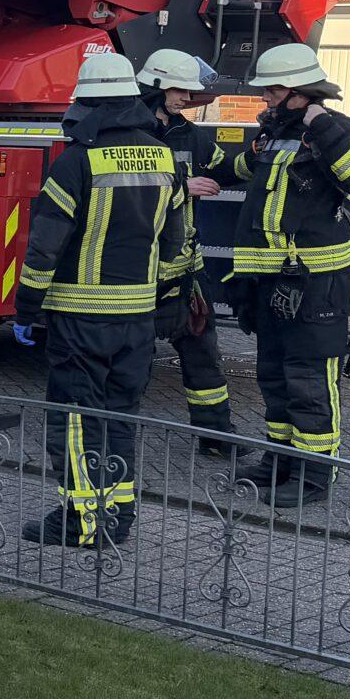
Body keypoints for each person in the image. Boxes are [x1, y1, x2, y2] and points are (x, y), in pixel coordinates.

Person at [11, 52, 192, 547]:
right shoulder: (164, 157)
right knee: (120, 417)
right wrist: (163, 297)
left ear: (86, 104)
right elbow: (176, 241)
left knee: (76, 419)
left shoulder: (76, 162)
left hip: (81, 317)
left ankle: (82, 522)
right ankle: (119, 515)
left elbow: (45, 246)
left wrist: (26, 307)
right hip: (138, 319)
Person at [207, 41, 350, 505]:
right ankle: (280, 459)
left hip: (316, 284)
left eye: (273, 90)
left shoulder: (337, 130)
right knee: (274, 375)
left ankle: (315, 475)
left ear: (301, 91)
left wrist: (322, 125)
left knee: (309, 380)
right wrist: (201, 173)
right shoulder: (274, 133)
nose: (266, 98)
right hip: (273, 283)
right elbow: (241, 168)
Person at [133, 49, 236, 454]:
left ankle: (217, 438)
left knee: (204, 357)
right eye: (180, 90)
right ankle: (115, 440)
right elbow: (125, 190)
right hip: (136, 274)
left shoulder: (188, 133)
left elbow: (223, 168)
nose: (187, 98)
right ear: (156, 86)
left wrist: (260, 155)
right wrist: (180, 186)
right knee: (132, 364)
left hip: (184, 273)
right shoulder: (128, 132)